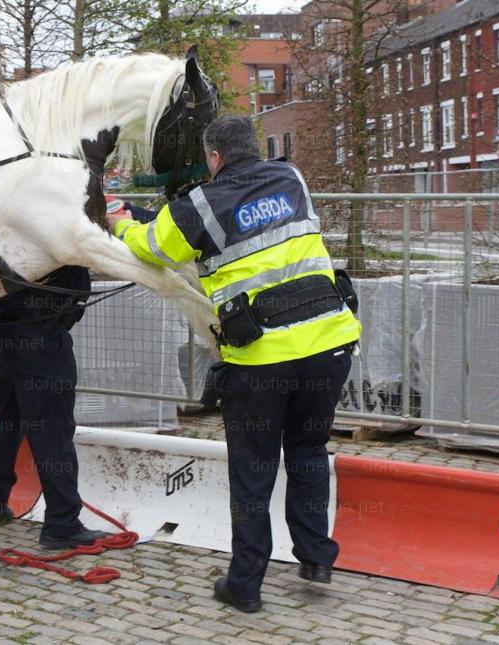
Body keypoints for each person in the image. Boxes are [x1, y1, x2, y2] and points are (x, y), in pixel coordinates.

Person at [105, 115, 361, 612]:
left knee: (253, 470)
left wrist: (121, 220)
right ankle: (316, 557)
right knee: (308, 450)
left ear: (214, 158)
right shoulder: (292, 179)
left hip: (264, 359)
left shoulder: (201, 204)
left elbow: (154, 247)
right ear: (255, 148)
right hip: (329, 344)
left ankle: (245, 585)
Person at [0, 266, 107, 549]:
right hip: (38, 333)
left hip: (6, 326)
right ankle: (62, 523)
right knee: (53, 429)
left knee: (13, 413)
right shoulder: (57, 224)